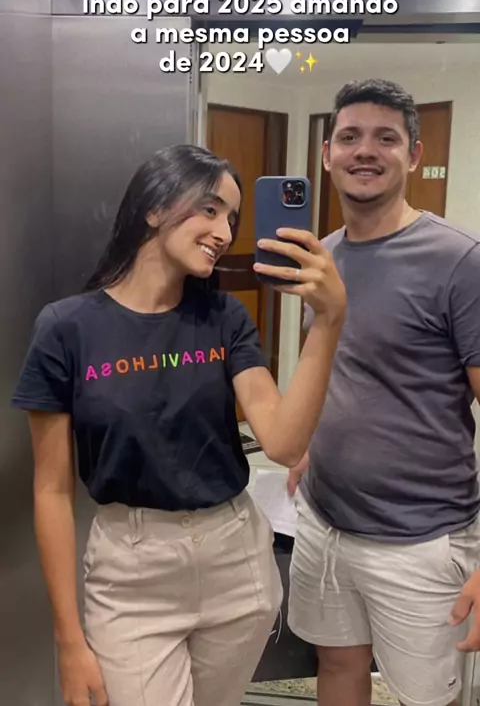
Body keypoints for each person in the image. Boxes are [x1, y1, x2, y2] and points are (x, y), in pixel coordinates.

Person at [11, 144, 346, 706]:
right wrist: (68, 640)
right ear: (154, 207)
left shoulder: (224, 318)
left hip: (235, 560)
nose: (224, 232)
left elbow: (285, 444)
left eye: (232, 218)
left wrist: (329, 322)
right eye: (209, 209)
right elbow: (51, 491)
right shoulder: (67, 328)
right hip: (132, 574)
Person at [286, 78, 480, 706]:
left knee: (426, 698)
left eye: (385, 138)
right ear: (327, 155)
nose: (365, 150)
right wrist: (311, 445)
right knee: (338, 665)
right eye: (349, 137)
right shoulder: (321, 257)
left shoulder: (460, 262)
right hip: (326, 521)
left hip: (422, 540)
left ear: (414, 155)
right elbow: (342, 368)